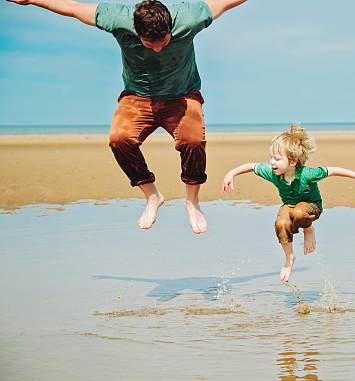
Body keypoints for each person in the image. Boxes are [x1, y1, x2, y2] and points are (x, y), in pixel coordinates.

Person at [6, 0, 248, 233]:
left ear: (170, 28)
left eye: (163, 41)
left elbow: (226, 1)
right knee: (119, 139)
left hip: (182, 95)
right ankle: (152, 196)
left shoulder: (190, 16)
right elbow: (73, 8)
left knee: (193, 140)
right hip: (137, 97)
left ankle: (192, 202)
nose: (157, 48)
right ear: (137, 31)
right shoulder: (117, 18)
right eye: (149, 43)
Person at [222, 125, 355, 282]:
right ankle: (289, 258)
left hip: (311, 206)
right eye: (271, 157)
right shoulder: (272, 172)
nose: (271, 162)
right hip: (289, 205)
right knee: (281, 224)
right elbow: (251, 166)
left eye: (276, 158)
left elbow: (333, 170)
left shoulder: (307, 174)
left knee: (299, 212)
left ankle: (309, 230)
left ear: (292, 161)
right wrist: (231, 173)